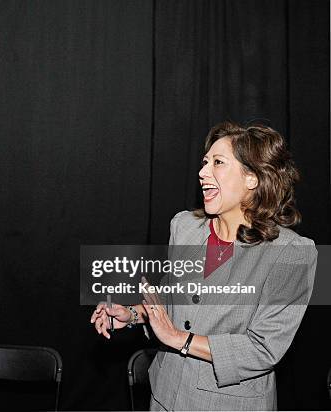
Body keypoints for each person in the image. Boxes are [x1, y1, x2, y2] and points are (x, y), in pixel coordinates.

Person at [90, 121, 317, 410]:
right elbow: (171, 304)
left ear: (253, 178)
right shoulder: (185, 227)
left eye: (218, 163)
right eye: (204, 162)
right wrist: (132, 314)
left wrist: (178, 339)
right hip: (165, 396)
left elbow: (263, 349)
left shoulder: (293, 253)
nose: (202, 172)